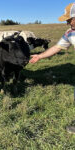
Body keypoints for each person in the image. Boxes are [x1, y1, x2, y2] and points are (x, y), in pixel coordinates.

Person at [29, 2, 75, 134]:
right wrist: (40, 56)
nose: (67, 23)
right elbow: (57, 47)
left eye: (69, 20)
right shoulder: (70, 33)